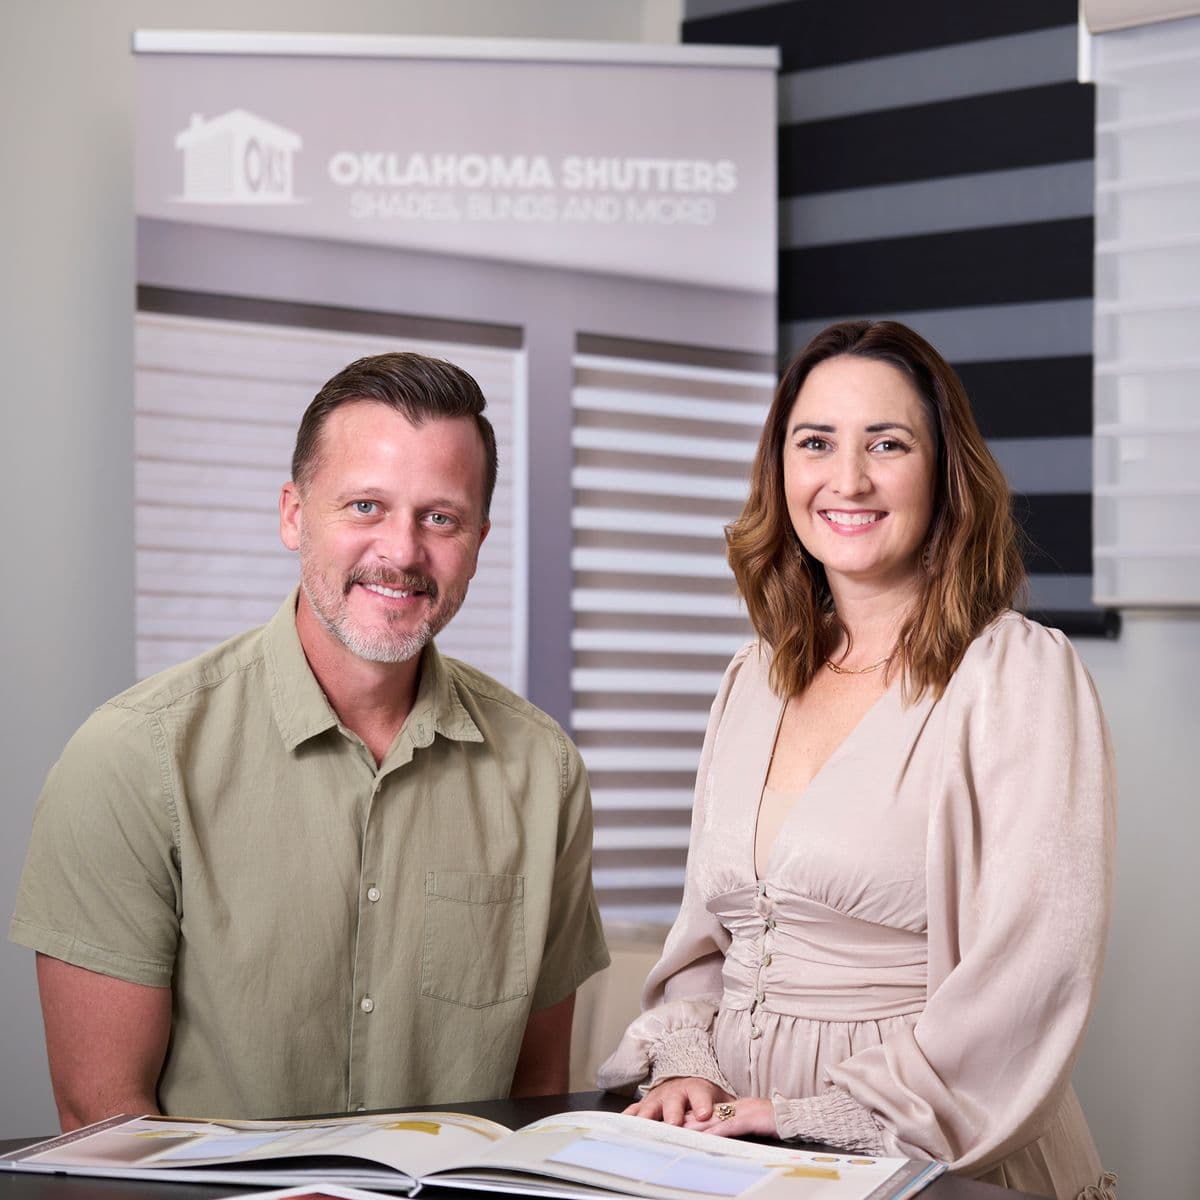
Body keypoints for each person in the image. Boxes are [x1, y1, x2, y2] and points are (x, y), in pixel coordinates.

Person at [11, 351, 609, 1129]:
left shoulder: (544, 771)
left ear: (479, 539)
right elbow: (103, 1116)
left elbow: (534, 1100)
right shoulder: (131, 758)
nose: (401, 552)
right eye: (365, 506)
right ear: (294, 513)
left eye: (440, 517)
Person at [597, 320, 1116, 1200]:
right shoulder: (753, 676)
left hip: (928, 1155)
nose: (848, 479)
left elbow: (1035, 968)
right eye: (816, 443)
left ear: (945, 473)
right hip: (740, 1147)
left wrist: (813, 1113)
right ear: (781, 470)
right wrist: (690, 1069)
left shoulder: (1017, 674)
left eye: (887, 443)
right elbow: (707, 941)